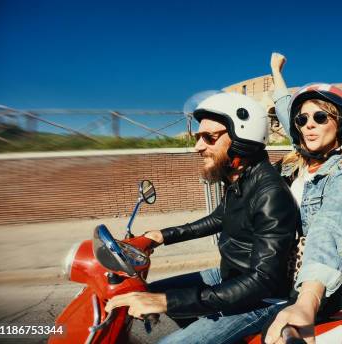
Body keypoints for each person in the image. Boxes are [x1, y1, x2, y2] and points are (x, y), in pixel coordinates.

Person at [105, 92, 300, 344]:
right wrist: (161, 236)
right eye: (197, 137)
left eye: (209, 137)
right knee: (146, 291)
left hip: (260, 299)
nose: (198, 146)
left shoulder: (270, 193)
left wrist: (168, 302)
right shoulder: (240, 179)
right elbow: (219, 218)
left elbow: (263, 280)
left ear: (243, 139)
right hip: (230, 275)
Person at [264, 53, 342, 344]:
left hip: (314, 280)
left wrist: (307, 301)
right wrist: (275, 71)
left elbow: (329, 225)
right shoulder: (300, 157)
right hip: (279, 267)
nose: (309, 124)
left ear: (340, 124)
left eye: (320, 117)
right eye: (303, 119)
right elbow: (286, 108)